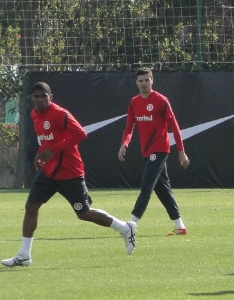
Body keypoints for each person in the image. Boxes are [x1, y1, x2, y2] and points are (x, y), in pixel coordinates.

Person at [2, 82, 136, 268]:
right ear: (31, 99)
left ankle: (124, 227)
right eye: (36, 97)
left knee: (84, 213)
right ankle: (24, 255)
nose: (40, 100)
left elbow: (80, 134)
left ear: (51, 97)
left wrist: (53, 150)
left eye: (43, 96)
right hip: (49, 172)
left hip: (69, 171)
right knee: (31, 206)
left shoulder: (60, 114)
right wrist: (41, 153)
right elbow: (46, 138)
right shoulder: (34, 114)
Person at [118, 67, 190, 236]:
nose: (144, 83)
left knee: (146, 185)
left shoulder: (160, 100)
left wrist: (181, 151)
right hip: (147, 151)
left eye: (147, 80)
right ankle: (180, 226)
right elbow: (129, 127)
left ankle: (131, 223)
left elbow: (174, 126)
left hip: (160, 149)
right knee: (163, 189)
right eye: (141, 80)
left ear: (152, 80)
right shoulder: (134, 102)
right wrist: (124, 145)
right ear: (136, 82)